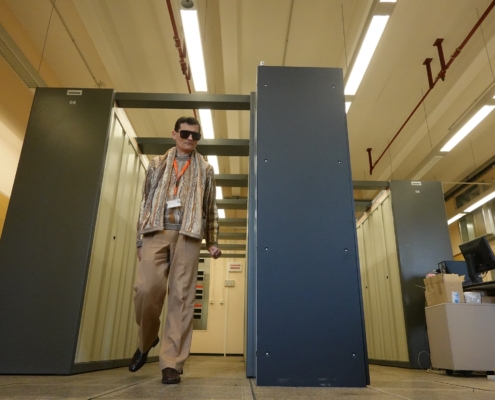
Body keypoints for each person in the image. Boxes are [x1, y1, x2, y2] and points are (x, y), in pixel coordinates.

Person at [129, 116, 222, 384]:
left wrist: (212, 240)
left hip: (188, 235)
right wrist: (140, 239)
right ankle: (147, 340)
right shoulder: (156, 164)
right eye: (185, 133)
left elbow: (210, 206)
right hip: (155, 232)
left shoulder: (205, 168)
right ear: (174, 134)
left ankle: (172, 363)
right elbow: (146, 202)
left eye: (195, 135)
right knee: (145, 290)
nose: (190, 138)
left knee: (181, 299)